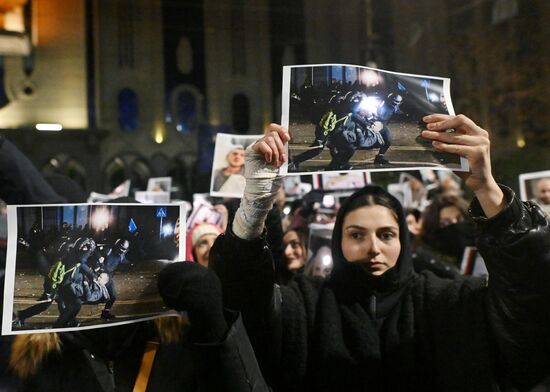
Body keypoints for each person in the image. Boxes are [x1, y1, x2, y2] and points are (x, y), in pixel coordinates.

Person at [161, 114, 550, 391]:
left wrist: (488, 189)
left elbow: (527, 300)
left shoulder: (449, 300)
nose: (373, 248)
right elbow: (247, 307)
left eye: (386, 234)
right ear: (338, 241)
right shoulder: (306, 306)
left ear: (404, 240)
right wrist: (254, 205)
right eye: (356, 235)